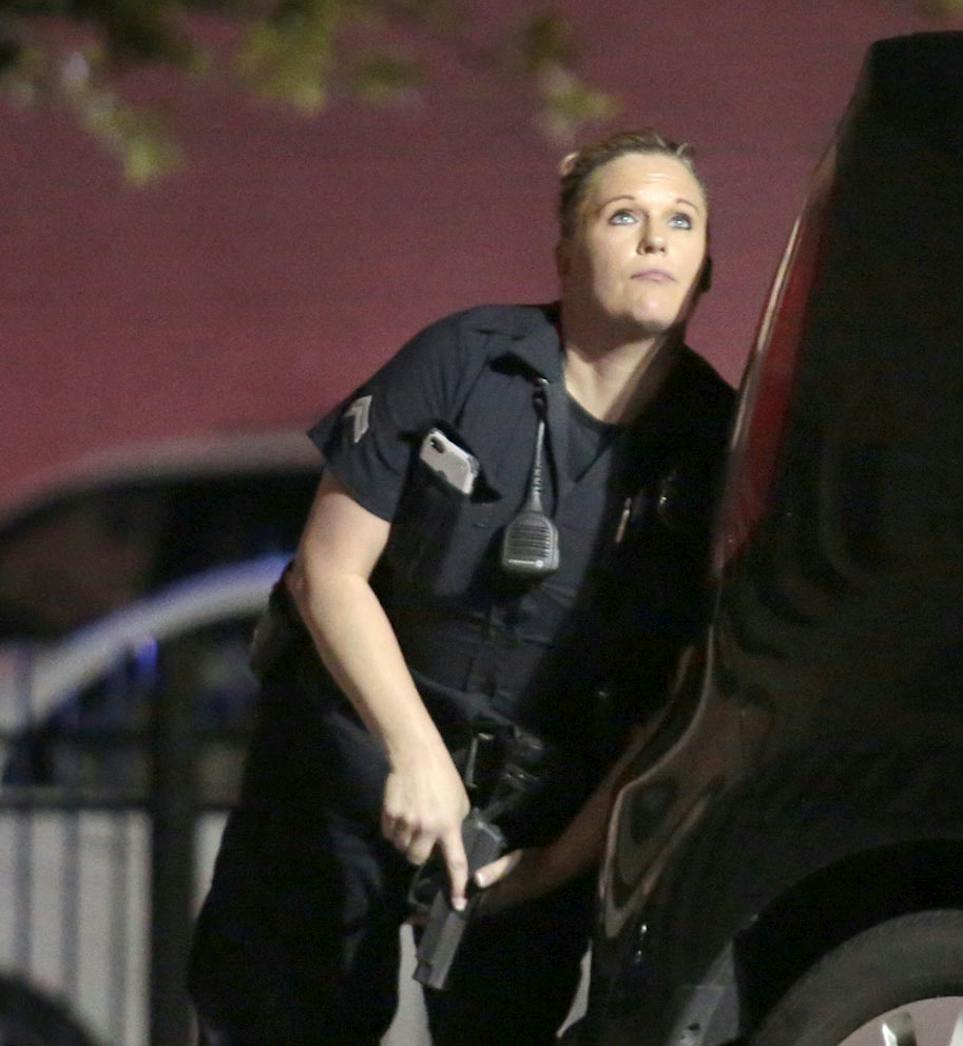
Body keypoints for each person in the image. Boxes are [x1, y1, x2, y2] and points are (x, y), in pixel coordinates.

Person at [188, 129, 734, 1045]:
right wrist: (414, 754)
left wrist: (549, 866)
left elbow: (682, 706)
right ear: (565, 256)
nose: (655, 240)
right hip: (356, 753)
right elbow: (328, 571)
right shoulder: (462, 361)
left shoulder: (721, 444)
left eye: (681, 222)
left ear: (707, 267)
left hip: (540, 809)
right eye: (624, 215)